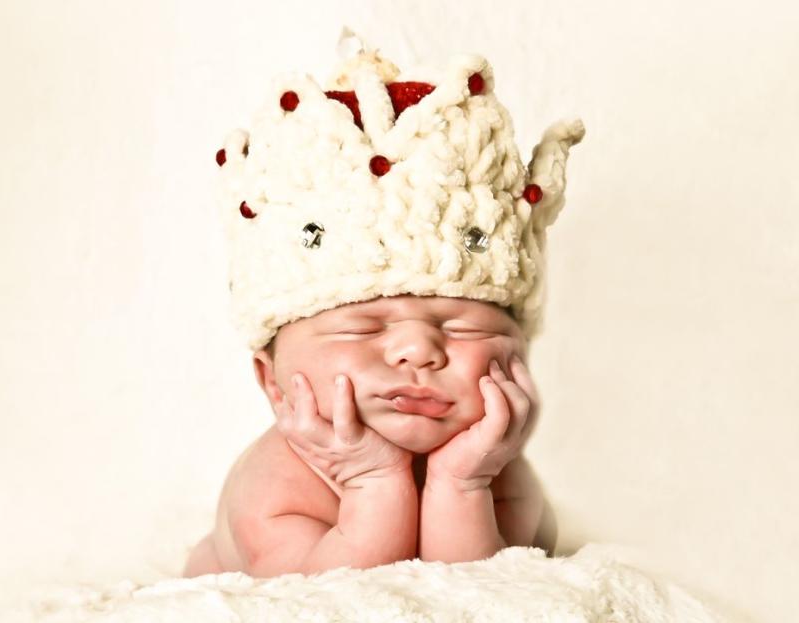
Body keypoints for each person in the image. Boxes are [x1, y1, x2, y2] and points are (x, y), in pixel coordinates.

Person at [183, 28, 585, 578]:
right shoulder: (275, 486)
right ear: (272, 383)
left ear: (520, 358)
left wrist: (461, 484)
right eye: (361, 328)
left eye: (462, 328)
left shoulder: (501, 477)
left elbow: (482, 595)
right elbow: (328, 601)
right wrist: (374, 483)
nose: (419, 351)